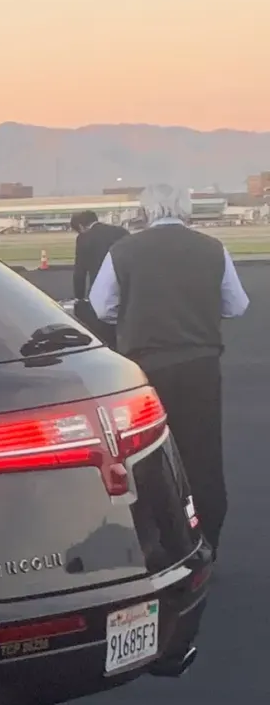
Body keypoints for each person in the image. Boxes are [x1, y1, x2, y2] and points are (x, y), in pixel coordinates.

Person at [89, 183, 250, 549]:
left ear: (146, 211)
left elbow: (102, 307)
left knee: (146, 455)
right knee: (203, 455)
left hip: (144, 369)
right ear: (186, 207)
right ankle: (207, 539)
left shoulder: (124, 250)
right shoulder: (212, 249)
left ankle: (156, 541)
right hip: (200, 366)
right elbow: (236, 305)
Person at [70, 209, 126, 346]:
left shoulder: (84, 238)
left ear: (81, 226)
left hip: (100, 291)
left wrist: (79, 298)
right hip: (125, 287)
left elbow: (80, 271)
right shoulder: (121, 232)